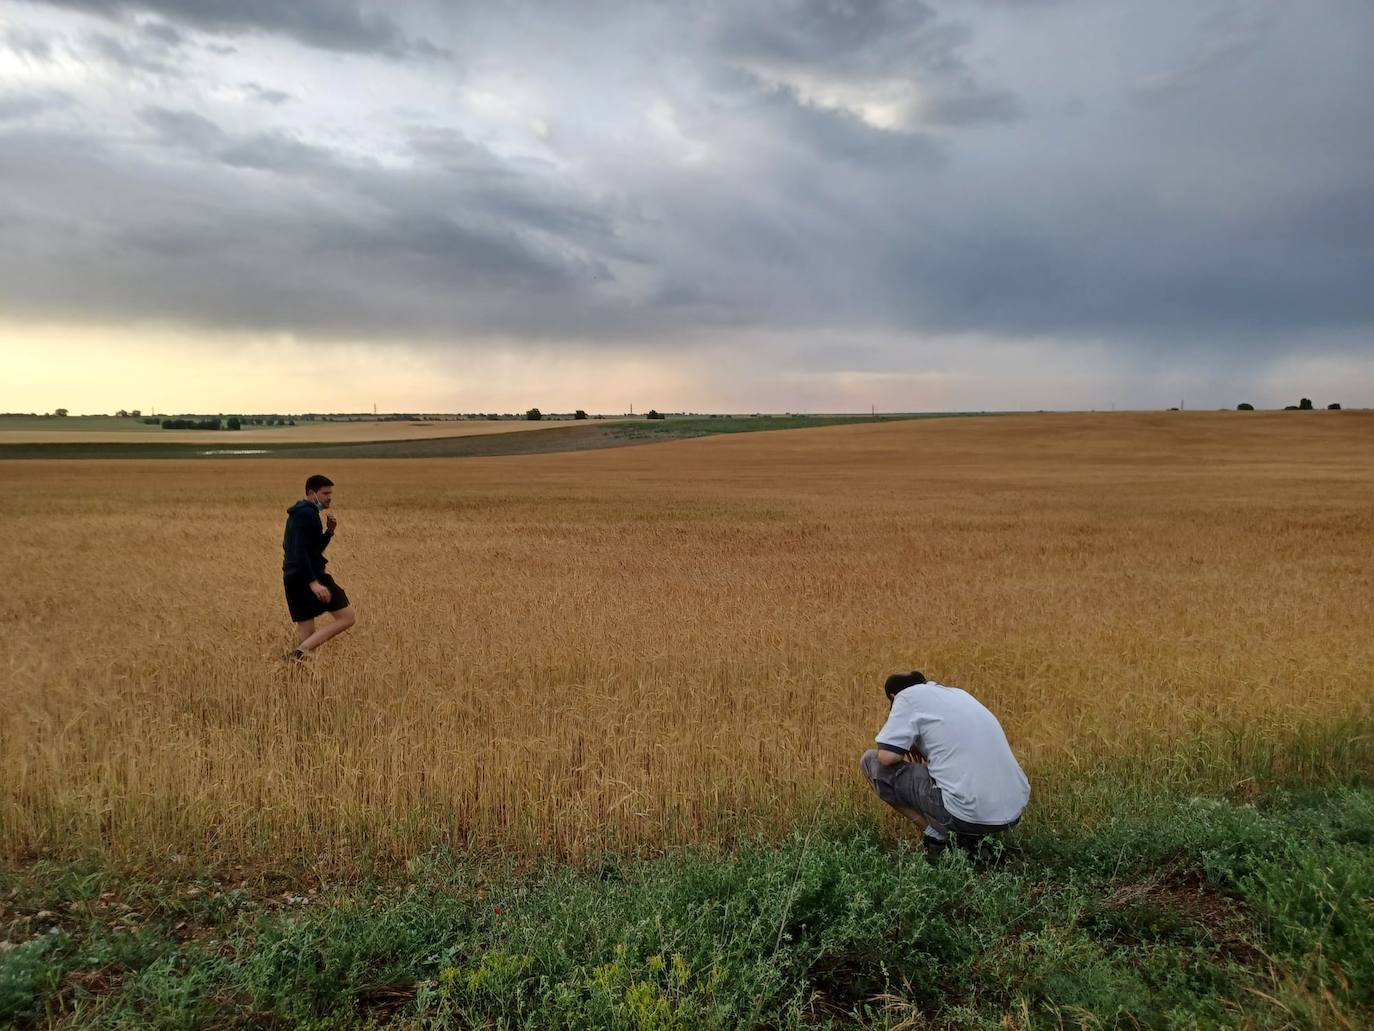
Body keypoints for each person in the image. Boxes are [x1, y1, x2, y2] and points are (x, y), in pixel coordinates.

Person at [860, 671, 1029, 856]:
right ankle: (972, 840)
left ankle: (936, 836)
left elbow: (887, 757)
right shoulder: (958, 694)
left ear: (893, 697)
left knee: (870, 761)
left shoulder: (906, 697)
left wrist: (905, 744)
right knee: (937, 773)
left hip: (967, 814)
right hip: (1013, 811)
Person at [282, 474, 355, 662]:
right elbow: (300, 551)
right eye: (325, 493)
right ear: (311, 492)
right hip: (307, 576)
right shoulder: (307, 514)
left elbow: (312, 549)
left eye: (330, 493)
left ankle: (296, 671)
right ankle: (296, 655)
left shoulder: (299, 513)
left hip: (292, 577)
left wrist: (329, 532)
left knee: (307, 631)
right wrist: (313, 582)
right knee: (347, 617)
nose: (329, 497)